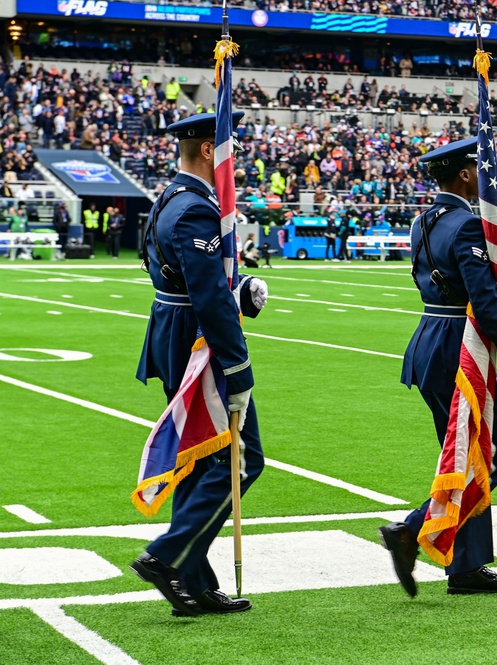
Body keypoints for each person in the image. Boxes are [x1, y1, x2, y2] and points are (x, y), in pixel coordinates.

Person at [379, 136, 497, 597]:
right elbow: (481, 300)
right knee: (491, 453)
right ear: (465, 174)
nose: (485, 177)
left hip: (429, 340)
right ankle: (410, 531)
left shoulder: (423, 221)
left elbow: (447, 283)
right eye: (478, 169)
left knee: (465, 452)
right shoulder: (467, 224)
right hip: (458, 349)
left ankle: (466, 564)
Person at [132, 112, 270, 617]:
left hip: (173, 330)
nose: (237, 160)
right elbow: (209, 299)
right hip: (197, 345)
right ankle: (165, 556)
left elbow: (186, 279)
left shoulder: (170, 197)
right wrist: (238, 369)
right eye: (230, 149)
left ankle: (191, 580)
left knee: (197, 457)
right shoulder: (195, 210)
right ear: (210, 152)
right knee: (243, 458)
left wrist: (242, 292)